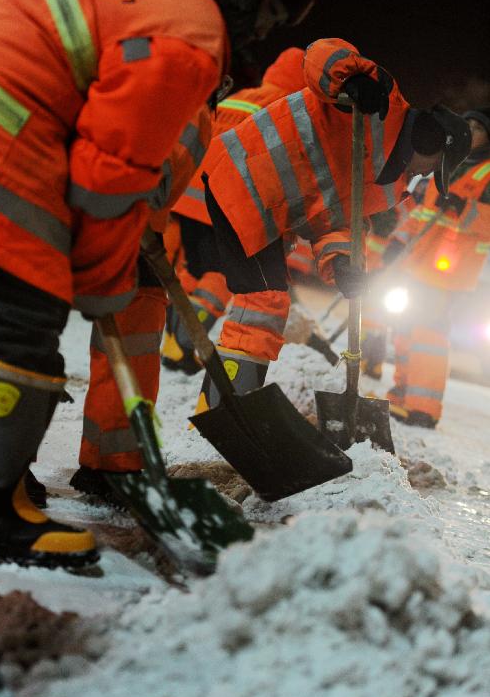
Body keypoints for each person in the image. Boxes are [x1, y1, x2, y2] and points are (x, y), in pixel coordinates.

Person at [0, 0, 336, 566]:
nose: (266, 29)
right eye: (273, 12)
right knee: (24, 316)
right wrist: (102, 279)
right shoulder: (190, 26)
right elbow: (109, 181)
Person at [193, 37, 472, 415]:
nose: (425, 176)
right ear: (430, 139)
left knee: (265, 307)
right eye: (433, 165)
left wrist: (341, 262)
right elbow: (321, 53)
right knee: (263, 304)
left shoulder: (391, 186)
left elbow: (337, 224)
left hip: (270, 212)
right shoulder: (382, 99)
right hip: (244, 178)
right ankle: (221, 413)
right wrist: (350, 81)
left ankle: (224, 410)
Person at [161, 46, 307, 375]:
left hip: (188, 192)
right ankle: (184, 342)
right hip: (223, 199)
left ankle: (173, 344)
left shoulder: (242, 95)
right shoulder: (286, 109)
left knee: (194, 271)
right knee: (221, 277)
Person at [379, 108, 490, 428]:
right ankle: (401, 395)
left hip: (450, 273)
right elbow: (419, 214)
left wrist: (463, 208)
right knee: (404, 329)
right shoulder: (447, 163)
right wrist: (397, 243)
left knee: (428, 334)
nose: (471, 131)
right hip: (417, 264)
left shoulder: (485, 174)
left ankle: (424, 407)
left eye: (478, 128)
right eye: (467, 124)